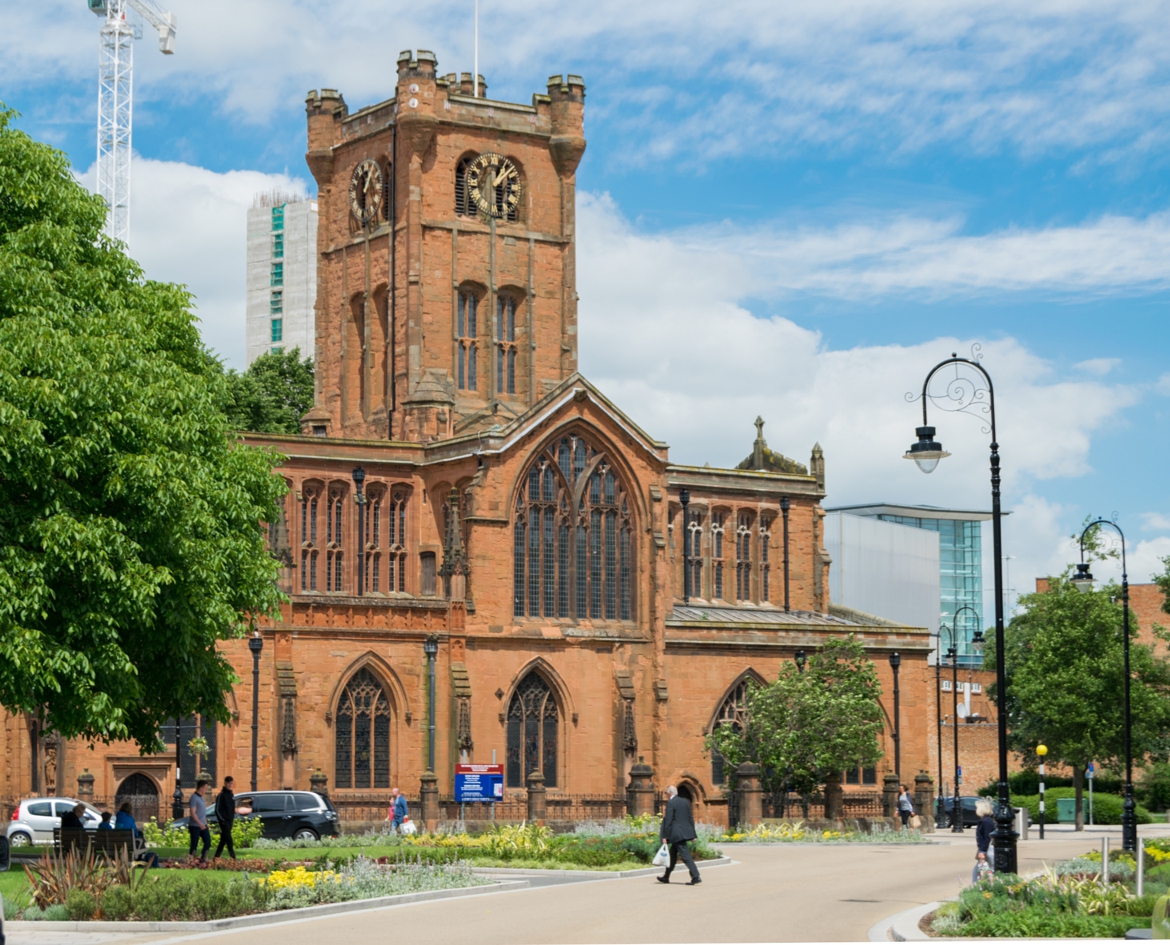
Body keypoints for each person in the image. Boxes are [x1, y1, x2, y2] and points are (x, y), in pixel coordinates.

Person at [656, 785, 701, 886]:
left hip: (676, 834)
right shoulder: (684, 802)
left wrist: (665, 836)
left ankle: (695, 876)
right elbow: (690, 818)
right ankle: (666, 877)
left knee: (686, 856)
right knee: (672, 856)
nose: (666, 795)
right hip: (682, 833)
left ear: (668, 793)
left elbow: (669, 820)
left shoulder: (671, 803)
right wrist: (693, 834)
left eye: (666, 793)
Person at [115, 802, 159, 867]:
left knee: (140, 839)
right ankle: (139, 860)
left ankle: (140, 859)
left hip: (118, 841)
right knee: (141, 839)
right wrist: (139, 836)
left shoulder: (118, 818)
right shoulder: (130, 818)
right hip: (129, 842)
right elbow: (134, 831)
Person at [213, 776, 236, 860]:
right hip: (224, 821)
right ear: (225, 783)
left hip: (230, 821)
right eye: (228, 783)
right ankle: (233, 857)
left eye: (231, 783)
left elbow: (232, 809)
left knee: (223, 840)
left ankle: (216, 857)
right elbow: (217, 810)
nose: (230, 785)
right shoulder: (221, 795)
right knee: (229, 840)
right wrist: (222, 820)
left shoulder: (231, 795)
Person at [188, 780, 211, 863]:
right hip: (195, 825)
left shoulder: (201, 798)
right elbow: (193, 812)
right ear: (201, 788)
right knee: (194, 844)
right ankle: (191, 860)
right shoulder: (194, 797)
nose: (206, 790)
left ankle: (202, 858)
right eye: (205, 788)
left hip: (203, 825)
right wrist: (199, 823)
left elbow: (202, 812)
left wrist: (205, 823)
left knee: (208, 842)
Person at [973, 798, 995, 882]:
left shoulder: (985, 821)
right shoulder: (986, 820)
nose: (975, 809)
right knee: (978, 870)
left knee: (990, 870)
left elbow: (987, 837)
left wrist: (982, 851)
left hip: (989, 850)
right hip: (987, 849)